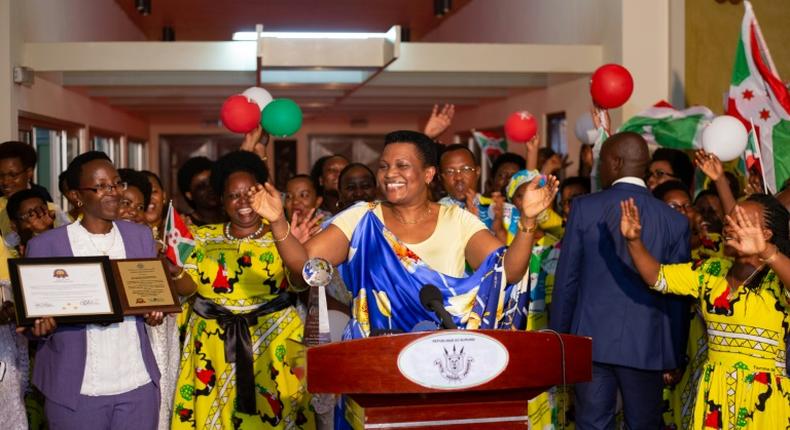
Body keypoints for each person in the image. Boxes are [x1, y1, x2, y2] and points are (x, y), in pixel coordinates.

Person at [22, 151, 174, 430]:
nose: (113, 192)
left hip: (136, 383)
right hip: (74, 388)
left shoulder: (139, 236)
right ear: (77, 196)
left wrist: (155, 312)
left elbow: (149, 295)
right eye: (101, 186)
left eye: (116, 184)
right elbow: (33, 317)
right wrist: (39, 326)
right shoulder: (46, 246)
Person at [550, 131, 691, 429]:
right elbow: (678, 294)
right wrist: (675, 353)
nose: (598, 169)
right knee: (644, 424)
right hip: (648, 345)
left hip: (590, 343)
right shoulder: (674, 220)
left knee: (592, 423)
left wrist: (560, 342)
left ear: (615, 162)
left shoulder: (585, 208)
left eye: (601, 162)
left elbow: (567, 281)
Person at [620, 194, 790, 429]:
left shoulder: (778, 277)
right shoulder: (711, 270)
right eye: (728, 220)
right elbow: (658, 277)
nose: (729, 227)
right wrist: (634, 241)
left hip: (764, 399)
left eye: (740, 222)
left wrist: (768, 252)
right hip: (715, 395)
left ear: (767, 234)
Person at [172, 151, 313, 429]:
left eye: (250, 193)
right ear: (221, 201)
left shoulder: (282, 237)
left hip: (276, 345)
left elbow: (301, 277)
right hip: (213, 349)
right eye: (233, 196)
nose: (243, 202)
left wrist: (278, 222)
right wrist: (174, 269)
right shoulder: (200, 236)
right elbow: (188, 288)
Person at [0, 141, 67, 250]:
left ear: (29, 172)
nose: (6, 182)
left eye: (13, 175)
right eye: (1, 175)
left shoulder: (52, 209)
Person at [177, 156, 225, 226]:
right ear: (189, 195)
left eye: (213, 181)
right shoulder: (185, 225)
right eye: (202, 186)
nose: (211, 188)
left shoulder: (235, 219)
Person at [6, 188, 55, 255]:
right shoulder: (6, 252)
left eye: (42, 212)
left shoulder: (65, 240)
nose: (39, 221)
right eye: (30, 215)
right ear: (14, 225)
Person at [140, 170, 167, 247]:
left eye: (154, 192)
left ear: (164, 196)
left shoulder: (178, 231)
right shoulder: (128, 235)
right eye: (143, 193)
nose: (149, 197)